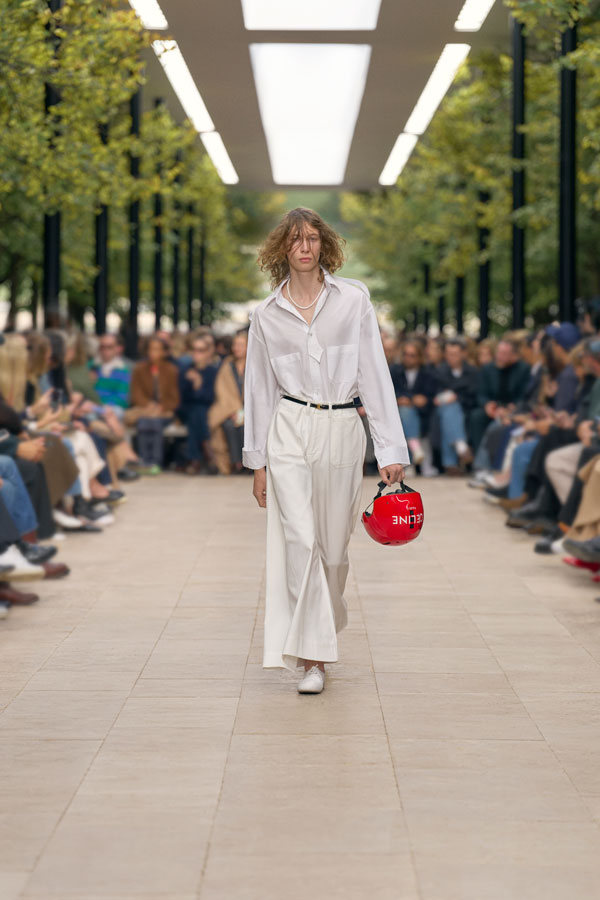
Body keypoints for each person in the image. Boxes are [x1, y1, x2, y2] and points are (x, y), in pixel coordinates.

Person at [242, 207, 408, 694]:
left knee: (333, 553)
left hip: (342, 425)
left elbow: (374, 373)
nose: (305, 247)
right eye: (295, 239)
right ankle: (312, 659)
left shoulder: (353, 300)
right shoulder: (265, 315)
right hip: (290, 426)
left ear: (325, 245)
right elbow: (259, 389)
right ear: (282, 248)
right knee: (300, 539)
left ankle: (323, 623)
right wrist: (258, 462)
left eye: (313, 238)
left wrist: (389, 448)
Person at [127, 336, 180, 471]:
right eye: (151, 349)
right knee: (145, 423)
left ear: (164, 352)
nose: (153, 353)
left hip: (164, 412)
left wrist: (162, 407)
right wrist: (148, 404)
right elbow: (135, 394)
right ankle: (145, 461)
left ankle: (156, 461)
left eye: (157, 349)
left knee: (154, 423)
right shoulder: (139, 369)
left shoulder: (171, 370)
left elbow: (174, 397)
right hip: (145, 410)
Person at [208, 331, 248, 475]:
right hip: (230, 409)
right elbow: (222, 390)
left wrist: (245, 411)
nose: (236, 348)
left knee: (244, 427)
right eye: (235, 345)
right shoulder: (227, 365)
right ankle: (236, 463)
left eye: (240, 345)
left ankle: (248, 463)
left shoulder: (255, 364)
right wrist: (235, 410)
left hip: (252, 410)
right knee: (228, 425)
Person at [178, 335, 219, 474]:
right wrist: (194, 386)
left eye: (201, 350)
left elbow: (209, 397)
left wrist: (198, 385)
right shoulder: (186, 370)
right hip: (187, 409)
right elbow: (183, 397)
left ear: (208, 352)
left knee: (197, 413)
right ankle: (206, 447)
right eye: (194, 350)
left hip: (205, 410)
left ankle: (194, 460)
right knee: (196, 411)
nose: (197, 353)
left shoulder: (212, 371)